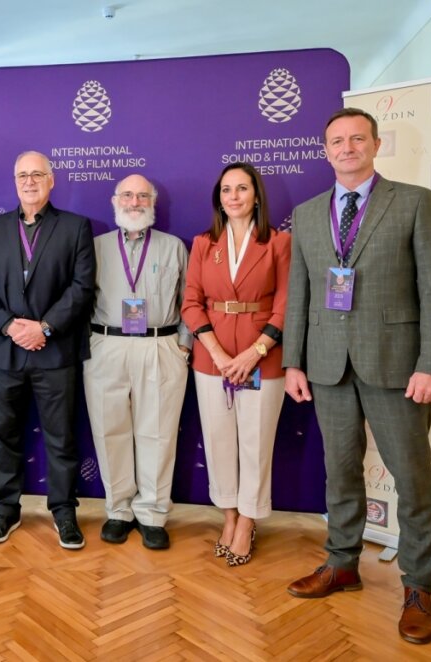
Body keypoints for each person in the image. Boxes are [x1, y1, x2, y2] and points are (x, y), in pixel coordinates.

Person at [282, 108, 431, 645]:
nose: (347, 147)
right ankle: (342, 563)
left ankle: (419, 586)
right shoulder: (308, 214)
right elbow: (301, 295)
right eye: (337, 140)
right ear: (325, 149)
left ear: (376, 144)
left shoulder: (414, 202)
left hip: (397, 365)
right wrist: (293, 361)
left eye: (358, 138)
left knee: (412, 478)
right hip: (328, 365)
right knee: (340, 472)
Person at [0, 151, 96, 549]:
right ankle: (6, 509)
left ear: (52, 180)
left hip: (54, 351)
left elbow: (81, 288)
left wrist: (43, 327)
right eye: (22, 175)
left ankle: (64, 512)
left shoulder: (76, 228)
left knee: (61, 438)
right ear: (14, 181)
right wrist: (11, 326)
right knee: (3, 435)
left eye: (37, 174)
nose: (29, 181)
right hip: (3, 351)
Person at [181, 162, 291, 567]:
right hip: (212, 361)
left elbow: (286, 305)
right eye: (226, 190)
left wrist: (253, 354)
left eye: (242, 188)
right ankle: (227, 515)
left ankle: (248, 520)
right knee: (219, 441)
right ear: (219, 199)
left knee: (255, 443)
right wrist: (220, 355)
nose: (233, 196)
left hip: (263, 359)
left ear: (256, 195)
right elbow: (191, 304)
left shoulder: (279, 243)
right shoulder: (202, 243)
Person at [83, 174, 190, 550]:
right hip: (106, 345)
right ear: (114, 201)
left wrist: (184, 346)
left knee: (158, 433)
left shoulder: (174, 247)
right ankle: (118, 510)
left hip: (160, 346)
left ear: (153, 203)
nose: (134, 202)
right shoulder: (94, 247)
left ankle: (153, 513)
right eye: (127, 195)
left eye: (142, 196)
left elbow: (190, 299)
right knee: (109, 429)